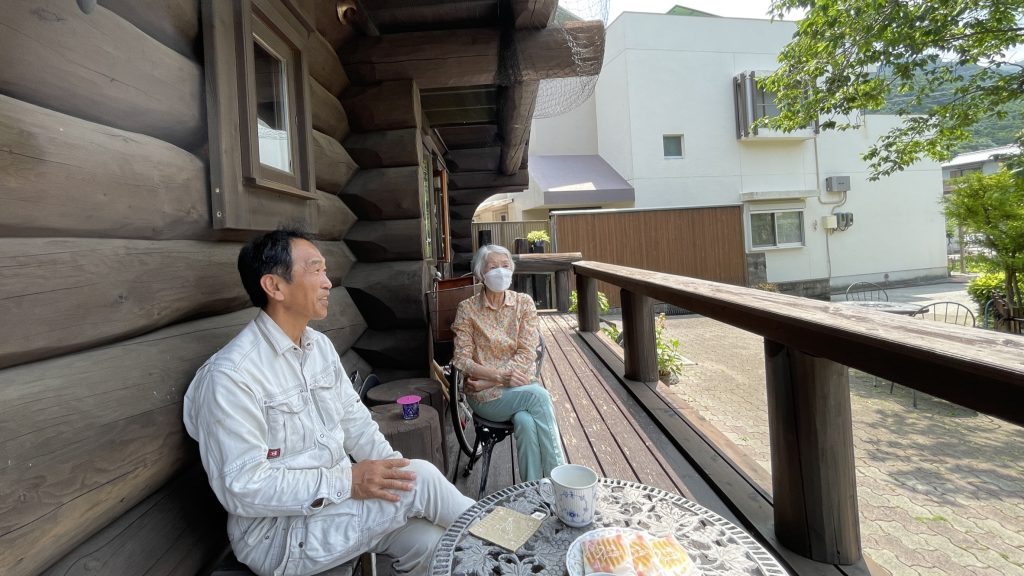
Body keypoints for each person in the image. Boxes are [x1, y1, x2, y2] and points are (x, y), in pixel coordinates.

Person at [183, 229, 473, 576]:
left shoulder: (317, 347)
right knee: (424, 479)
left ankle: (495, 540)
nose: (328, 283)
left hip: (335, 507)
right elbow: (242, 488)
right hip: (279, 535)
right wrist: (348, 481)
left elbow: (356, 423)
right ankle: (508, 539)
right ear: (274, 286)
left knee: (434, 542)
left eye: (325, 271)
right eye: (315, 270)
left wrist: (394, 475)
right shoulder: (231, 376)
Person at [451, 244, 566, 482]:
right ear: (481, 274)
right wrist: (497, 379)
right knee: (540, 396)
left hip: (515, 386)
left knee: (525, 421)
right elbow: (461, 358)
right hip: (485, 397)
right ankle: (563, 481)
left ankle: (533, 489)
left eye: (505, 266)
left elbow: (527, 353)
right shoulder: (467, 309)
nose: (500, 272)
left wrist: (489, 379)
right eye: (493, 267)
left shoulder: (523, 303)